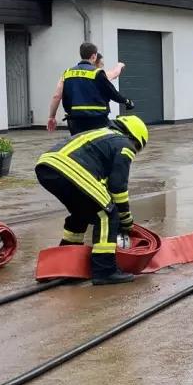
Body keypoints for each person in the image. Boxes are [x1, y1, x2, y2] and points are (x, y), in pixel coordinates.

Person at [35, 114, 148, 285]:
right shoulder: (125, 144)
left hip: (47, 167)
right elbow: (118, 188)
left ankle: (64, 262)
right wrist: (126, 221)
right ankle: (104, 270)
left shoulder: (103, 135)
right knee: (107, 215)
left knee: (81, 213)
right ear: (135, 139)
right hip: (71, 169)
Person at [47, 42, 133, 135]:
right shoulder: (97, 73)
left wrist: (52, 117)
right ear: (94, 56)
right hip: (97, 118)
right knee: (100, 143)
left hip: (74, 119)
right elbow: (112, 92)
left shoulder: (67, 73)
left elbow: (56, 96)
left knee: (79, 144)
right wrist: (126, 101)